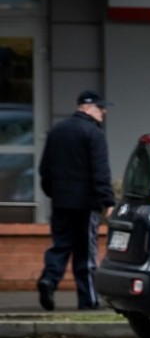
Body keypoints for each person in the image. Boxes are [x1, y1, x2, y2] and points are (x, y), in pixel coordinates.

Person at [37, 90, 116, 311]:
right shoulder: (94, 133)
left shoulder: (57, 131)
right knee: (86, 254)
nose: (104, 112)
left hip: (61, 203)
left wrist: (55, 194)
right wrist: (108, 201)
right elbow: (100, 172)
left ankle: (49, 280)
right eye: (101, 108)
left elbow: (44, 170)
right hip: (86, 205)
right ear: (88, 108)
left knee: (60, 246)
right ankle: (88, 301)